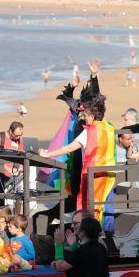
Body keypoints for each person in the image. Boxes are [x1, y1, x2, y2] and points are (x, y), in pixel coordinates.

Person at [39, 96, 116, 225]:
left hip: (93, 177)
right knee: (104, 206)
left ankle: (89, 232)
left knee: (89, 206)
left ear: (92, 116)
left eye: (85, 115)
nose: (84, 118)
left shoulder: (89, 132)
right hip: (108, 176)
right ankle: (106, 232)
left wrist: (49, 154)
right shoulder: (109, 127)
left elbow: (70, 147)